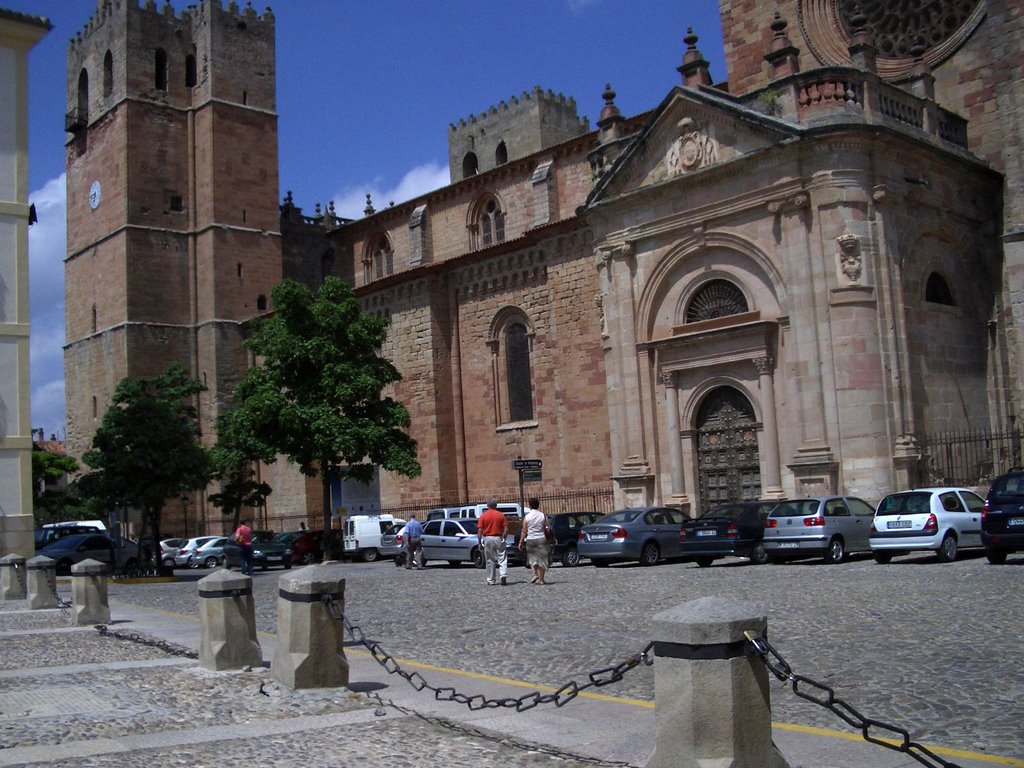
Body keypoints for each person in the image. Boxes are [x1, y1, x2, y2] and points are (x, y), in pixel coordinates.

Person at [477, 498, 508, 586]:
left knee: (490, 559)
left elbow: (480, 530)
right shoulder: (500, 515)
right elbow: (506, 528)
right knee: (502, 558)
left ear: (487, 505)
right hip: (498, 537)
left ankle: (491, 579)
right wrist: (504, 537)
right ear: (496, 505)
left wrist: (479, 542)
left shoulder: (483, 516)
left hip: (488, 538)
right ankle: (503, 575)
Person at [519, 497, 549, 585]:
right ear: (538, 505)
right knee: (542, 559)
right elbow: (548, 527)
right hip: (541, 538)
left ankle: (535, 574)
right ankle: (542, 580)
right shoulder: (543, 515)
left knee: (532, 558)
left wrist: (520, 542)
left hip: (531, 538)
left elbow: (524, 531)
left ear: (530, 505)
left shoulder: (527, 517)